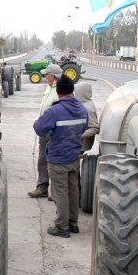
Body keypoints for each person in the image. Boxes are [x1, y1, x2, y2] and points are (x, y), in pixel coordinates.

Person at [33, 75, 88, 237]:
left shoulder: (55, 111)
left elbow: (38, 128)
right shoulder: (82, 109)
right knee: (73, 191)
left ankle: (61, 226)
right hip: (74, 156)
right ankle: (73, 223)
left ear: (58, 92)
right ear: (72, 91)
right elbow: (84, 128)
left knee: (59, 192)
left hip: (58, 158)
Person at [28, 64, 62, 198]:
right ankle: (42, 187)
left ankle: (55, 191)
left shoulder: (61, 90)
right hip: (45, 131)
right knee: (42, 158)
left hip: (54, 132)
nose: (45, 76)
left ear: (53, 76)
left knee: (54, 161)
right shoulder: (49, 88)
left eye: (47, 74)